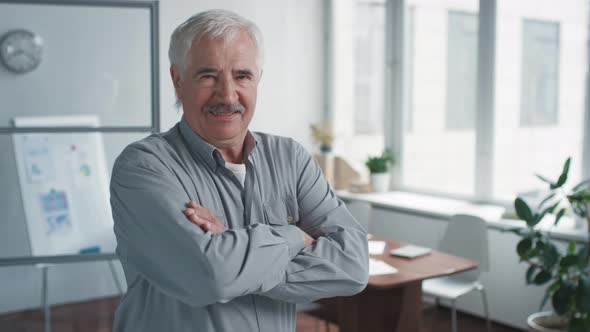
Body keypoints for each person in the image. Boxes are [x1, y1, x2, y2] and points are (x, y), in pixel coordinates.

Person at [110, 9, 369, 332]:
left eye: (242, 76)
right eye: (208, 75)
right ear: (178, 80)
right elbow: (208, 276)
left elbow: (354, 266)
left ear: (257, 79)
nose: (227, 94)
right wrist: (294, 237)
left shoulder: (290, 158)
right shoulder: (144, 166)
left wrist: (235, 257)